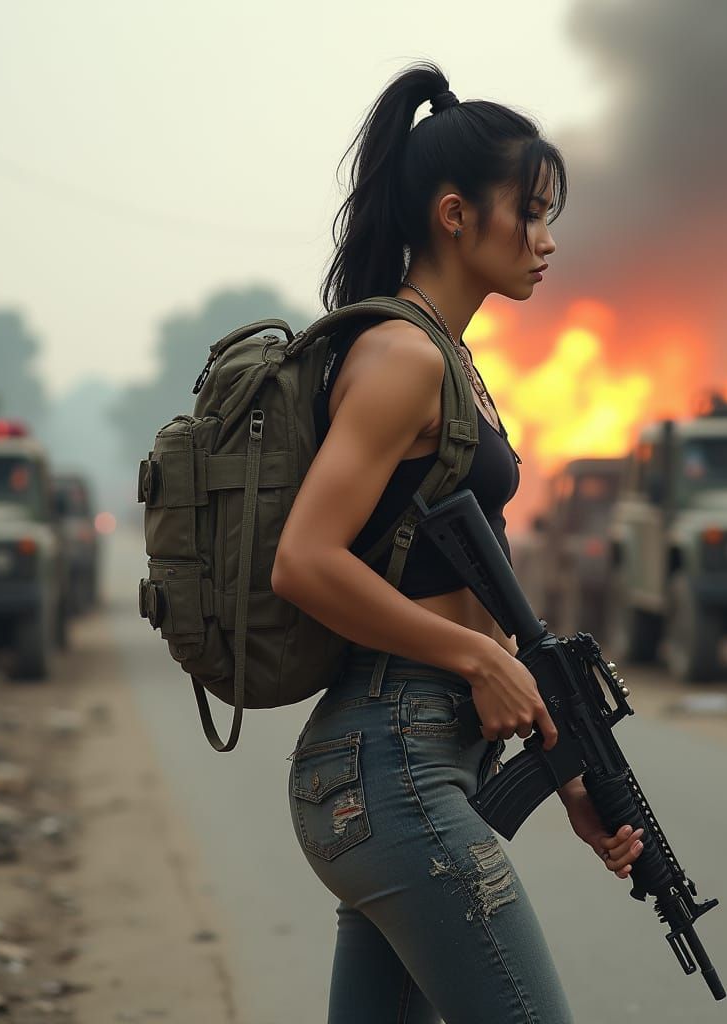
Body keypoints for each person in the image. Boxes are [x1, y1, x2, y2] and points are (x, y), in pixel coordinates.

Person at [272, 61, 644, 1024]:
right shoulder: (401, 356)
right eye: (530, 212)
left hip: (414, 764)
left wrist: (569, 778)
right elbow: (305, 560)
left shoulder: (450, 359)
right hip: (390, 760)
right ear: (452, 214)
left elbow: (482, 591)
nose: (547, 240)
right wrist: (477, 654)